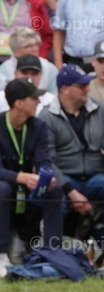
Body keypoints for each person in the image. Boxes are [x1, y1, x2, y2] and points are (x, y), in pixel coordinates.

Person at [39, 64, 104, 271]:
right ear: (64, 89)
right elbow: (48, 161)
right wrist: (70, 191)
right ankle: (56, 251)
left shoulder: (98, 109)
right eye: (80, 86)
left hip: (94, 175)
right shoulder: (46, 117)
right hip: (65, 179)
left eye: (87, 85)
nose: (87, 89)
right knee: (55, 192)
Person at [0, 77, 62, 277]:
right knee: (3, 189)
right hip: (7, 184)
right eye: (33, 98)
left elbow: (44, 159)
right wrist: (20, 177)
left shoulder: (38, 126)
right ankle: (1, 254)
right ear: (19, 103)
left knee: (54, 189)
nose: (38, 102)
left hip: (28, 184)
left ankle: (54, 252)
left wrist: (46, 176)